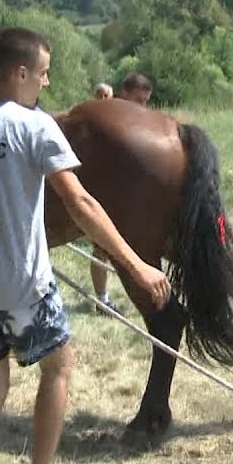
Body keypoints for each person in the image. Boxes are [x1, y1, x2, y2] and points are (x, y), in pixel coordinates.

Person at [0, 27, 171, 464]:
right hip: (23, 285)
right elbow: (81, 204)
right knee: (59, 366)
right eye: (43, 71)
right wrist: (135, 265)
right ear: (20, 73)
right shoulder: (34, 126)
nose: (47, 80)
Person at [89, 71, 155, 313]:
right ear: (123, 94)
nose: (143, 106)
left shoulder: (142, 119)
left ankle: (147, 290)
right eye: (138, 100)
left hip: (131, 192)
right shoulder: (107, 110)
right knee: (101, 247)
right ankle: (101, 299)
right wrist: (102, 101)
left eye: (146, 101)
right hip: (105, 190)